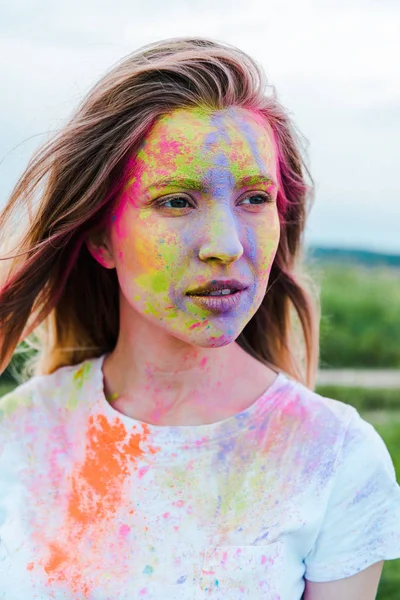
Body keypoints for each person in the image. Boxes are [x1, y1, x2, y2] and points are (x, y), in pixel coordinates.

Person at [0, 36, 399, 600]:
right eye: (177, 201)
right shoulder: (17, 435)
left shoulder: (334, 457)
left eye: (255, 198)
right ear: (99, 235)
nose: (226, 245)